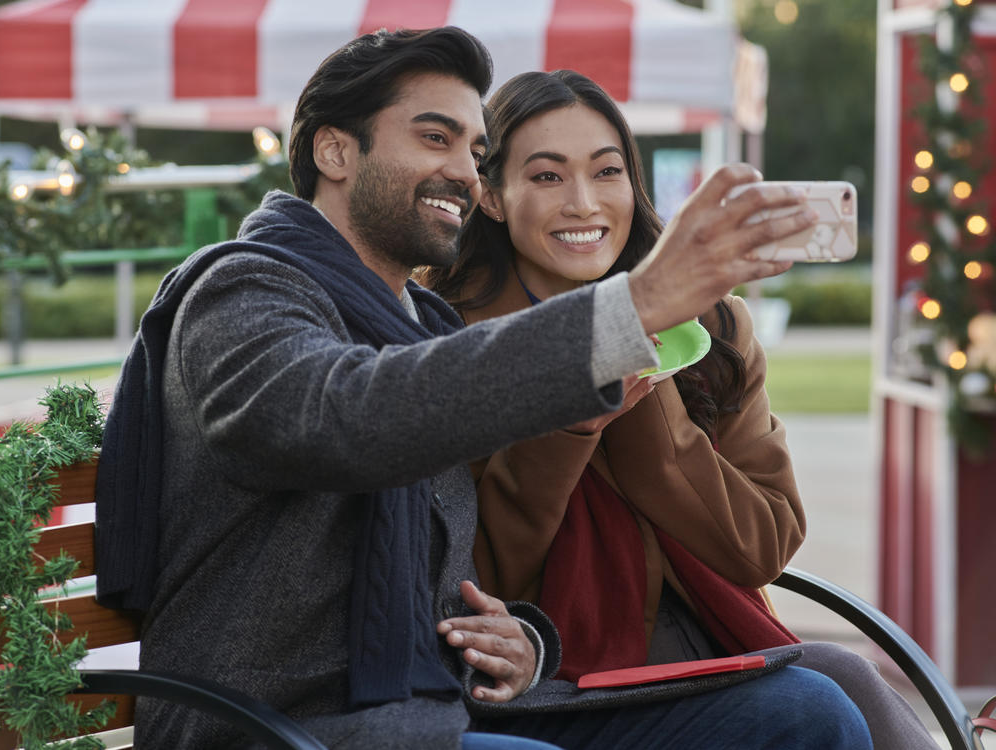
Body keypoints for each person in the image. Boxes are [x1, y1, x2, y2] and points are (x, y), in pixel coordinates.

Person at [93, 27, 872, 750]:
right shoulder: (243, 290)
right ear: (335, 151)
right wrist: (625, 316)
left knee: (815, 708)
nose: (463, 170)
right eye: (435, 137)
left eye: (474, 148)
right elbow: (348, 416)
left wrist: (527, 642)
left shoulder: (421, 318)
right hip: (279, 725)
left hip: (432, 701)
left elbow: (457, 583)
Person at [422, 69, 939, 750]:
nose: (584, 203)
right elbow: (478, 578)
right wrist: (574, 417)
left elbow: (760, 546)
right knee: (815, 702)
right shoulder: (448, 342)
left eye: (607, 173)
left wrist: (642, 364)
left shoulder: (715, 329)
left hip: (708, 639)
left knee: (854, 675)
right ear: (491, 195)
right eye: (547, 177)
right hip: (544, 675)